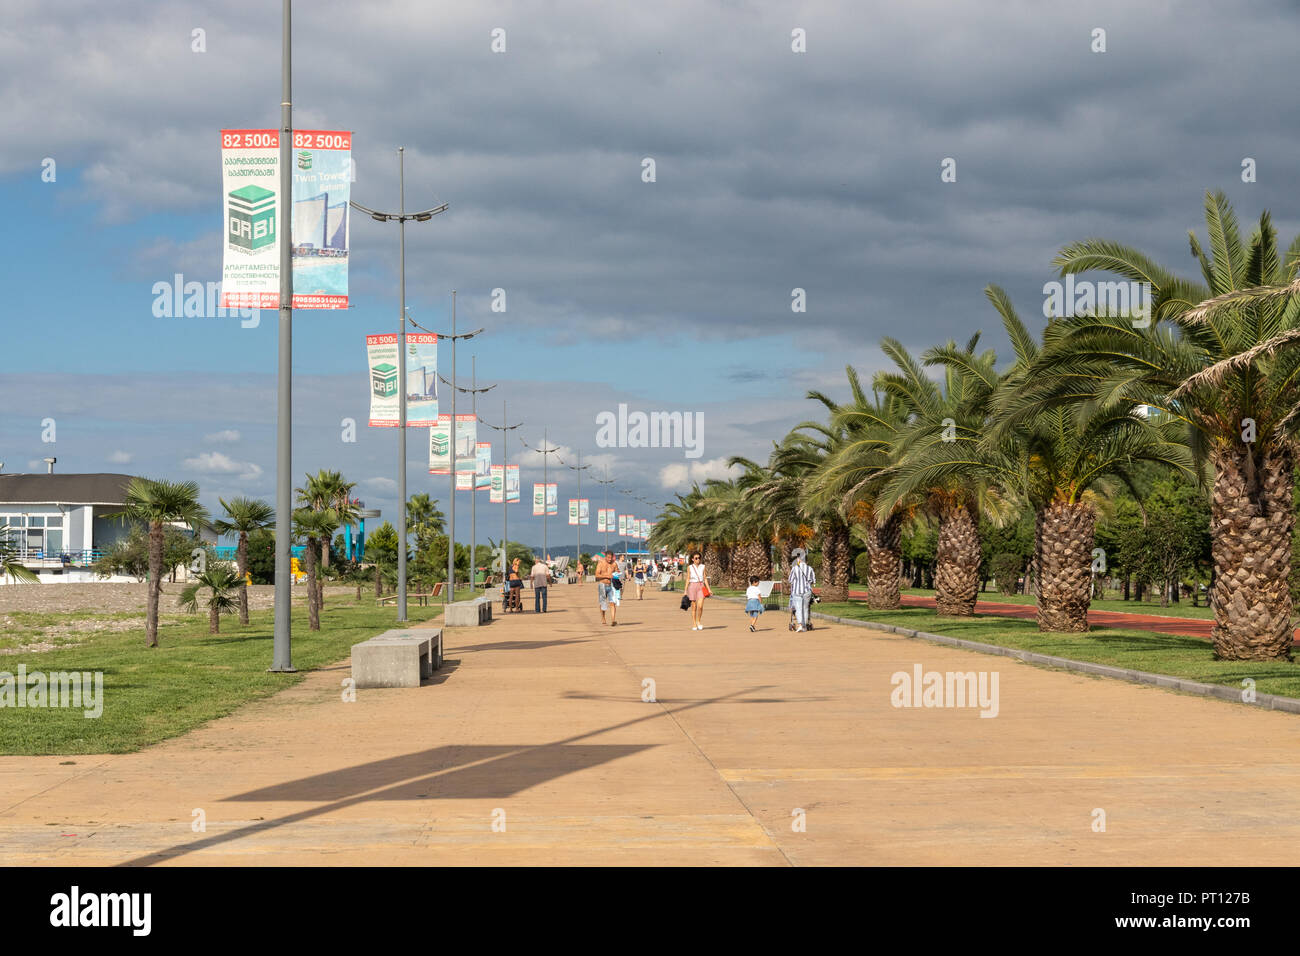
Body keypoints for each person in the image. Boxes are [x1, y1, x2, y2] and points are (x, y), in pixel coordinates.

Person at [788, 551, 816, 632]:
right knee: (805, 608)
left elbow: (790, 580)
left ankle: (800, 624)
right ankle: (804, 625)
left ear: (799, 559)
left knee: (798, 608)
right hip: (807, 591)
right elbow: (813, 581)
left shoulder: (795, 568)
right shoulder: (810, 568)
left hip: (797, 591)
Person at [686, 551, 709, 631]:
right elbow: (688, 578)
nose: (698, 559)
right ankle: (694, 623)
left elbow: (705, 578)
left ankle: (698, 621)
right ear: (692, 559)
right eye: (696, 558)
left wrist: (709, 589)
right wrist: (685, 590)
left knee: (700, 606)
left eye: (699, 558)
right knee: (694, 607)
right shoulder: (690, 567)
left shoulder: (703, 566)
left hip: (701, 586)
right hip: (692, 586)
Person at [595, 549, 618, 626]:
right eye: (608, 557)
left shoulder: (614, 564)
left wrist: (617, 574)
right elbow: (597, 575)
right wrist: (607, 576)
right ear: (605, 557)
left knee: (612, 603)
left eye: (611, 558)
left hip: (611, 585)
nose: (609, 559)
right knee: (603, 604)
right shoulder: (601, 563)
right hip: (602, 585)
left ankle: (613, 620)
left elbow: (617, 573)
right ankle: (603, 618)